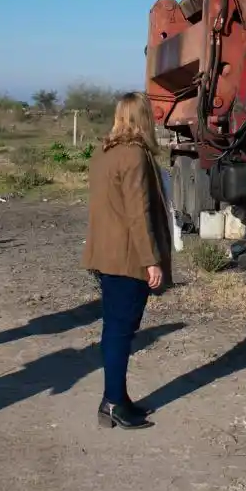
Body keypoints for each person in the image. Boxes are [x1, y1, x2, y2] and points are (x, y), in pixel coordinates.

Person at [82, 92, 173, 429]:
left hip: (106, 255)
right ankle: (113, 403)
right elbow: (139, 213)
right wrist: (152, 260)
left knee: (115, 329)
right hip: (128, 256)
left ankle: (117, 396)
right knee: (121, 331)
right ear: (143, 117)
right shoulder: (135, 155)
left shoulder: (104, 152)